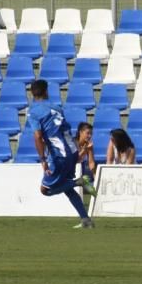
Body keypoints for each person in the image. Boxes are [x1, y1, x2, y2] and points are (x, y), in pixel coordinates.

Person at [27, 79, 97, 228]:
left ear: (32, 93)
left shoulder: (33, 112)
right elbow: (64, 132)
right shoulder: (57, 108)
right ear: (46, 91)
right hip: (71, 151)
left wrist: (43, 159)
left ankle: (79, 181)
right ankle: (86, 220)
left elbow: (38, 136)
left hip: (57, 156)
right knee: (67, 188)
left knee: (45, 190)